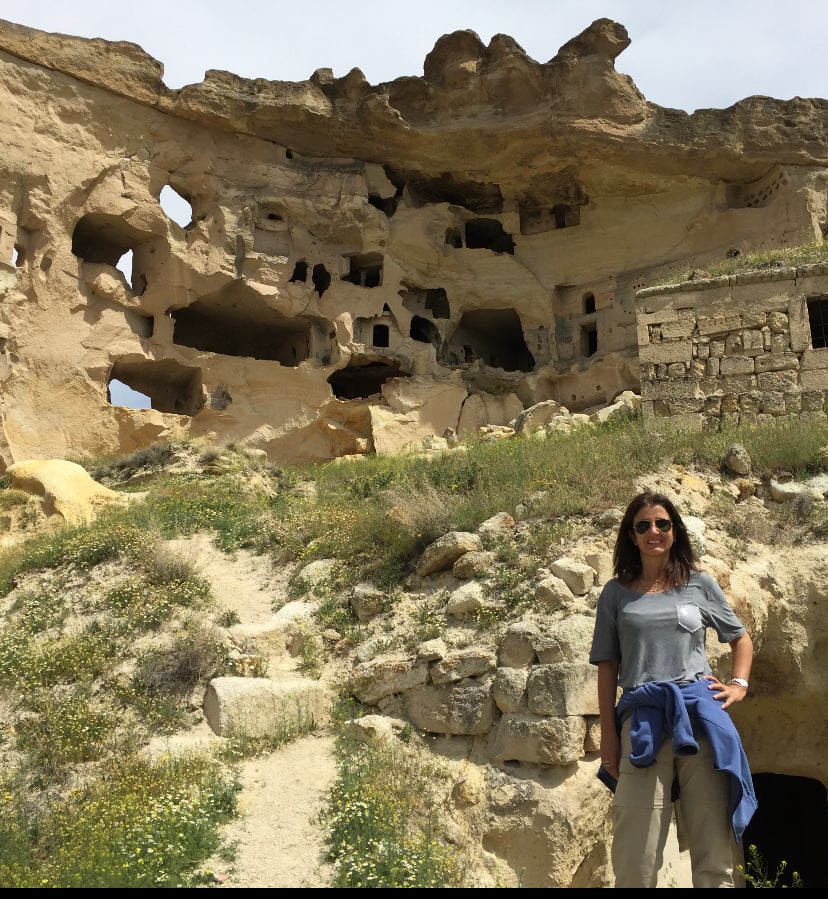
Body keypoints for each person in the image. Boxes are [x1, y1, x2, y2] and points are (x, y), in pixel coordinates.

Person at [589, 489, 757, 889]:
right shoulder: (615, 594)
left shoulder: (698, 584)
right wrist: (609, 739)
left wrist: (739, 684)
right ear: (632, 535)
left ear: (675, 531)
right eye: (643, 525)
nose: (654, 531)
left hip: (700, 716)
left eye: (662, 523)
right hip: (643, 720)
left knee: (713, 854)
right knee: (635, 859)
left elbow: (741, 638)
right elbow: (607, 667)